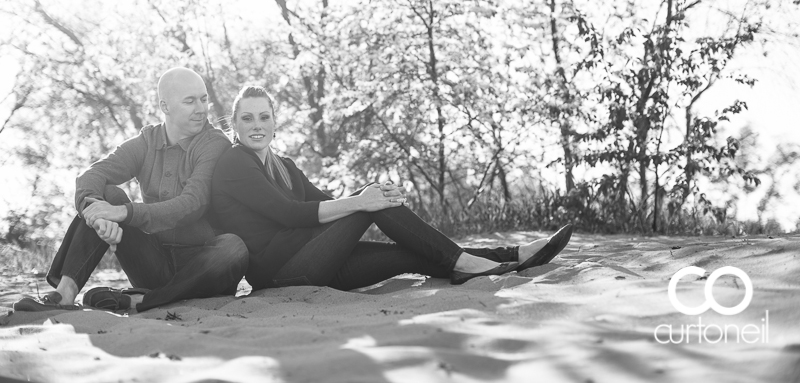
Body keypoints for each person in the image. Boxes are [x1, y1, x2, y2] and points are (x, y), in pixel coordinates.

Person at [211, 85, 572, 292]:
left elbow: (324, 203)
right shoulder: (234, 162)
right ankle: (469, 261)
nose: (256, 125)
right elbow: (290, 213)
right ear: (236, 125)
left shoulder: (284, 166)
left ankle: (512, 255)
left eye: (263, 117)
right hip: (281, 275)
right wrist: (367, 200)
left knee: (412, 253)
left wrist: (365, 201)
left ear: (275, 122)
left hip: (320, 265)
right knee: (370, 199)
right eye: (247, 118)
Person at [14, 67, 249, 313]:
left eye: (204, 99)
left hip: (204, 269)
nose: (201, 109)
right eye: (190, 101)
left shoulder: (213, 143)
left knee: (233, 247)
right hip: (152, 264)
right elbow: (92, 175)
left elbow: (192, 204)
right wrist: (97, 214)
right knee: (105, 196)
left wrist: (124, 213)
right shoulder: (147, 142)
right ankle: (65, 293)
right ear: (165, 106)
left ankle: (141, 300)